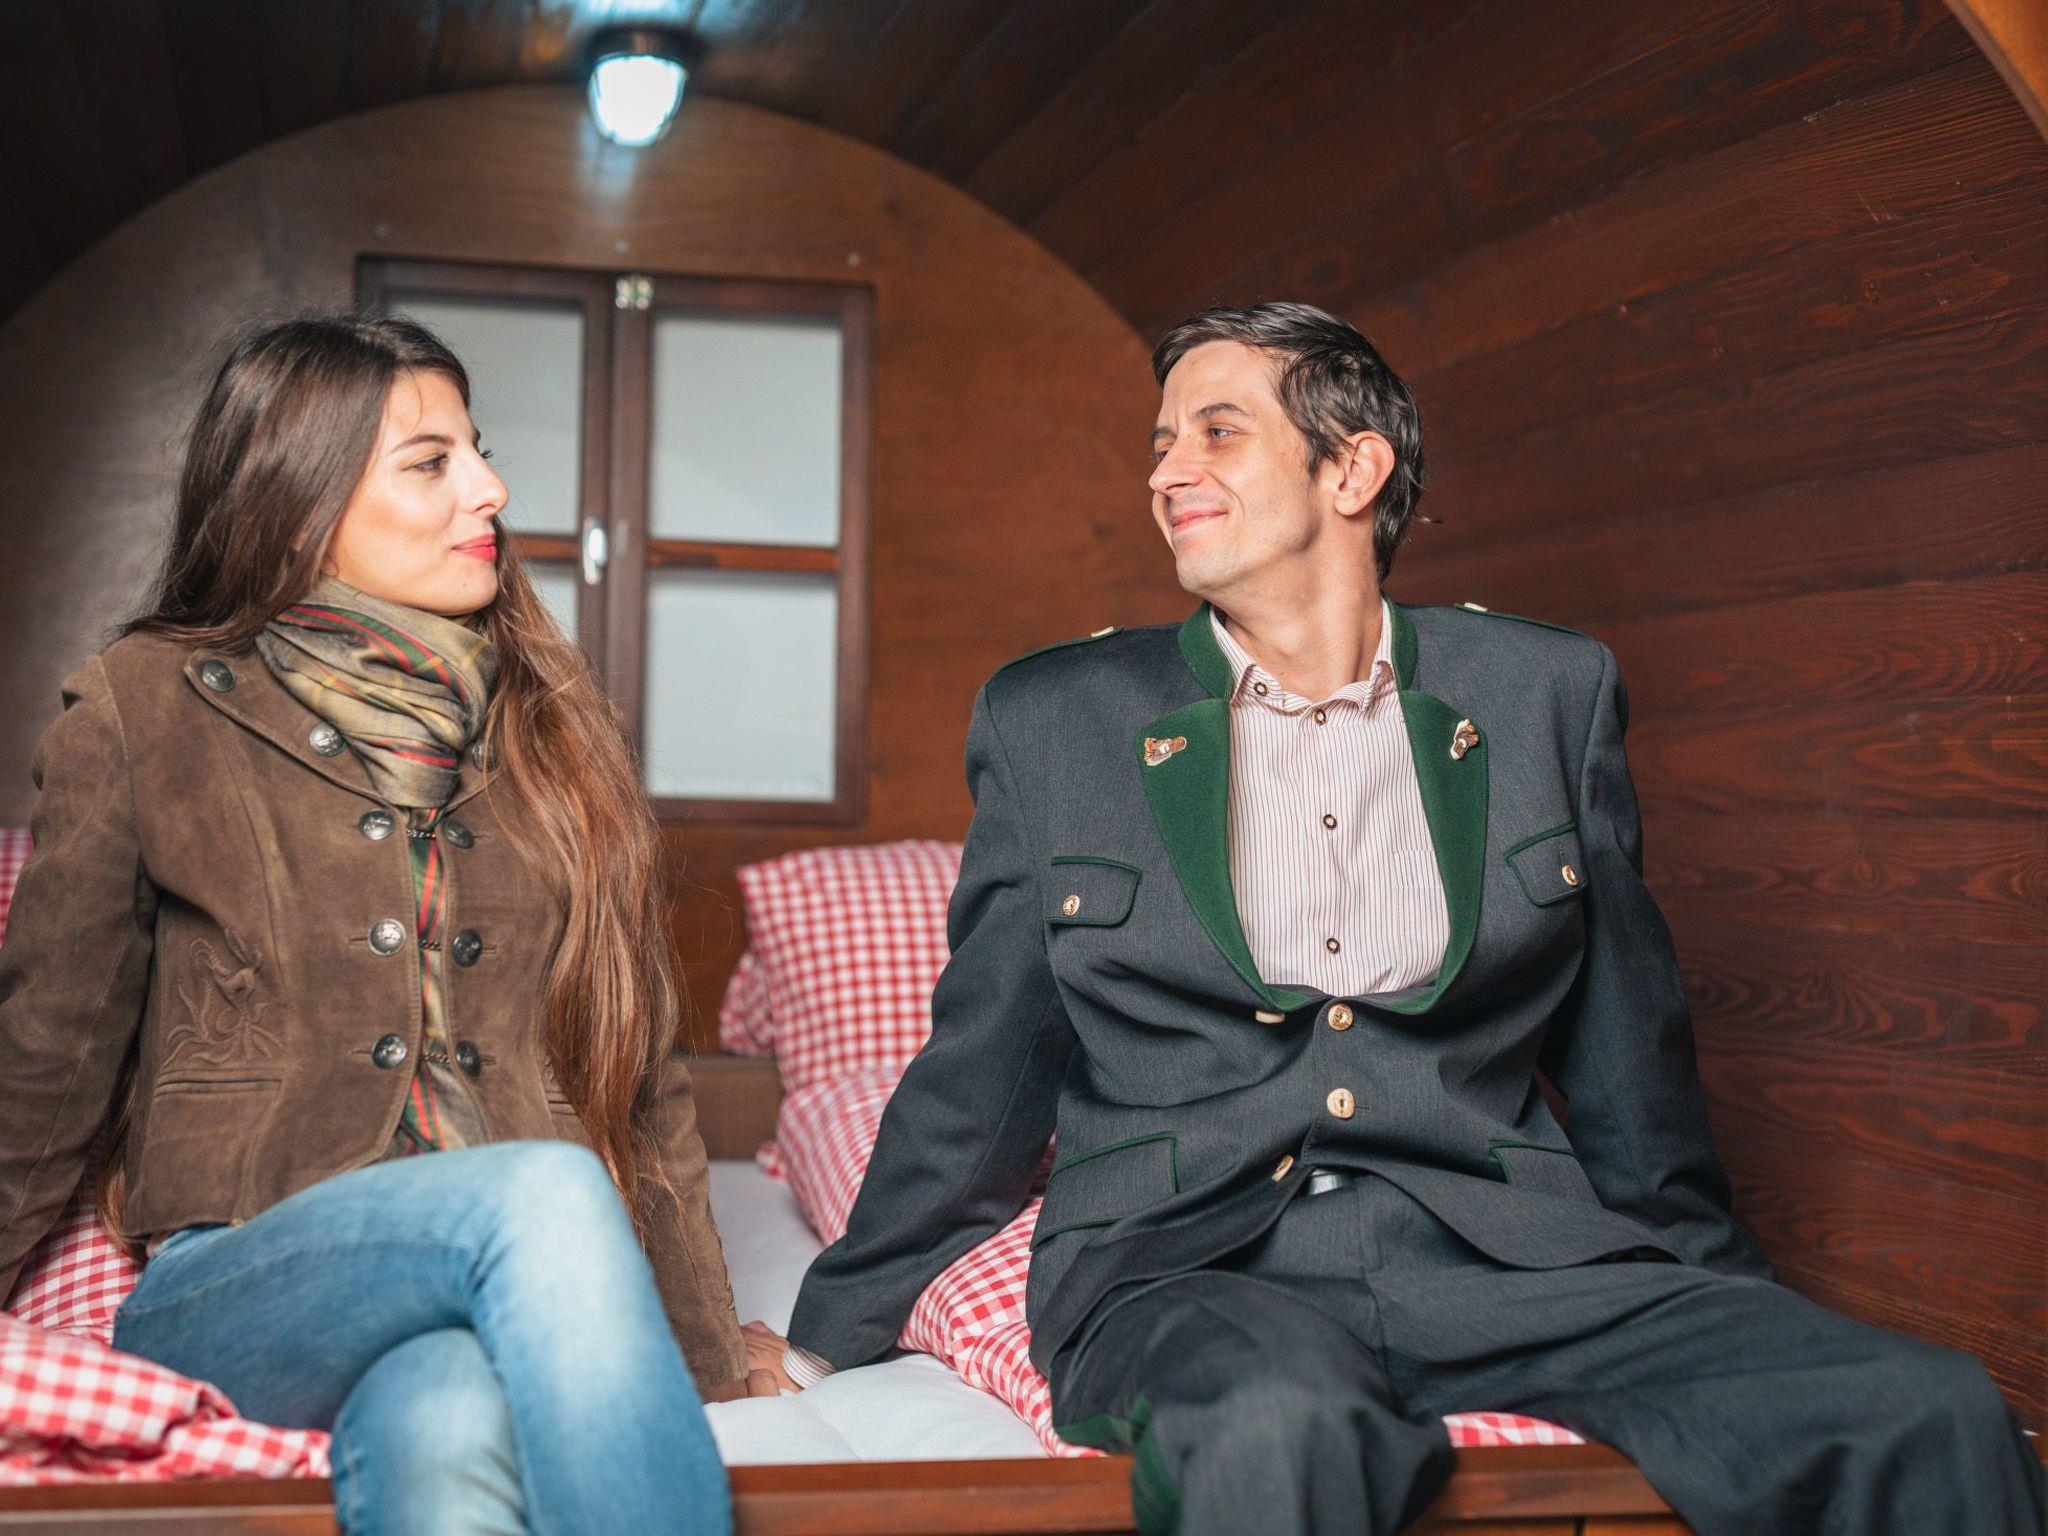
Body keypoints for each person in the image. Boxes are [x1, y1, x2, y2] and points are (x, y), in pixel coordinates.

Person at [751, 303, 2045, 1534]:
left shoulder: (1545, 691)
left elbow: (1626, 1054)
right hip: (1188, 1271)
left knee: (1921, 1408)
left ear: (1352, 468)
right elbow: (984, 1069)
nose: (1167, 471)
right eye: (1160, 441)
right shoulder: (1056, 718)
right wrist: (824, 1338)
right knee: (1278, 1431)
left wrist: (1719, 1293)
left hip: (1507, 1257)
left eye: (1215, 431)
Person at [0, 315, 767, 1535]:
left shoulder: (562, 730)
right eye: (430, 462)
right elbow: (47, 1056)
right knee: (544, 1194)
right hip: (243, 1278)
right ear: (298, 511)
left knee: (444, 1419)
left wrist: (709, 1366)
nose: (491, 489)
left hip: (500, 1277)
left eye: (479, 451)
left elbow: (641, 1083)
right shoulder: (143, 711)